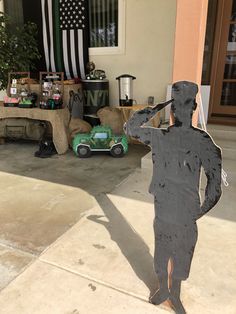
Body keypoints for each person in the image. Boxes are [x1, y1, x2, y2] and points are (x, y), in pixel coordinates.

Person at [124, 81, 222, 313]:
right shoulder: (160, 137)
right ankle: (165, 291)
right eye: (177, 105)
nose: (180, 110)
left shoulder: (202, 141)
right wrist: (159, 105)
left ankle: (174, 294)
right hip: (165, 207)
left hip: (187, 210)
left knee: (181, 255)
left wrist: (200, 211)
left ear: (191, 108)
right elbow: (130, 128)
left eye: (181, 105)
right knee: (163, 253)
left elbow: (215, 183)